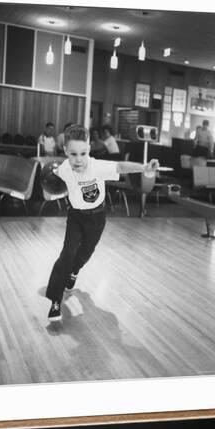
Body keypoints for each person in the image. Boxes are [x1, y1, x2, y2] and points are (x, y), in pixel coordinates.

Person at [46, 124, 159, 321]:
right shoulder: (63, 169)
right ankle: (55, 300)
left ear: (88, 150)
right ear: (65, 151)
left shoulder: (96, 165)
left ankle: (74, 271)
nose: (78, 159)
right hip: (76, 217)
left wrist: (145, 168)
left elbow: (120, 167)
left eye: (82, 153)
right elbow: (49, 181)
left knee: (85, 253)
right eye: (73, 154)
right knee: (67, 254)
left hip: (97, 218)